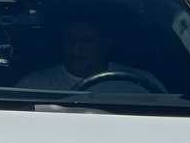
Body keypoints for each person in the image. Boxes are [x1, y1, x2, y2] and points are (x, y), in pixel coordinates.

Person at [21, 18, 163, 93]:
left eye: (86, 41)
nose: (76, 49)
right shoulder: (33, 86)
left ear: (106, 44)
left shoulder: (141, 83)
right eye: (70, 41)